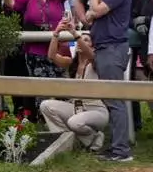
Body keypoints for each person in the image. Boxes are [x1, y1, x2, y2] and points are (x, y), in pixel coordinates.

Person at [82, 0, 134, 162]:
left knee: (114, 100)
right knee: (110, 100)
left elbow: (95, 10)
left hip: (113, 47)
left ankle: (121, 151)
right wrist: (93, 9)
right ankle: (116, 147)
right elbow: (90, 12)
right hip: (105, 46)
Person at [41, 18, 107, 152]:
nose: (81, 42)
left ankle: (95, 137)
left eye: (86, 40)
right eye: (80, 40)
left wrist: (74, 33)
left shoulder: (96, 62)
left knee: (74, 122)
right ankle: (66, 141)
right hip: (76, 108)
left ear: (93, 46)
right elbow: (51, 56)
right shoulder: (71, 63)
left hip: (96, 110)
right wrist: (56, 33)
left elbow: (91, 55)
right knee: (46, 106)